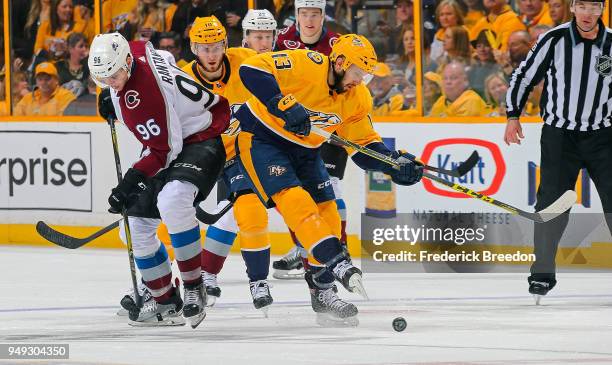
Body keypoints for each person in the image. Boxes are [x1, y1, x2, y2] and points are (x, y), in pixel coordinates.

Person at [234, 34, 423, 325]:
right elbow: (251, 70)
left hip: (305, 150)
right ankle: (337, 263)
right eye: (357, 73)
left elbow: (362, 147)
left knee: (330, 216)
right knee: (297, 204)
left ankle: (322, 291)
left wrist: (392, 163)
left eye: (364, 75)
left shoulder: (357, 97)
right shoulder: (305, 63)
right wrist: (280, 103)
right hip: (261, 138)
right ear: (340, 62)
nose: (359, 80)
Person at [89, 32, 229, 327]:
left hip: (202, 139)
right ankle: (165, 300)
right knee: (134, 227)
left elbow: (165, 152)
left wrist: (131, 182)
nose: (111, 82)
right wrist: (110, 95)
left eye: (113, 76)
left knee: (173, 200)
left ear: (127, 61)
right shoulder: (133, 52)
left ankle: (194, 287)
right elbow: (156, 53)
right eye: (102, 79)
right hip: (172, 136)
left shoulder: (146, 96)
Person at [504, 0, 612, 301]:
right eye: (582, 6)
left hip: (603, 136)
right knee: (551, 207)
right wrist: (513, 114)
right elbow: (524, 76)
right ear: (573, 8)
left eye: (594, 6)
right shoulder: (554, 39)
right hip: (560, 138)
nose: (588, 13)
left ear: (601, 10)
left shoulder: (611, 43)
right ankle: (541, 275)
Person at [180, 14, 275, 312]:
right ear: (194, 48)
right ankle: (153, 285)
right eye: (204, 47)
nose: (211, 54)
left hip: (240, 151)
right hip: (200, 152)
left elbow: (282, 82)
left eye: (216, 46)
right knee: (171, 213)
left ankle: (255, 279)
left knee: (249, 210)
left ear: (225, 44)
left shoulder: (246, 60)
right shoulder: (180, 77)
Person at [274, 0, 350, 280]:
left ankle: (340, 247)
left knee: (330, 187)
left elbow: (353, 84)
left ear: (323, 16)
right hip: (293, 128)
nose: (309, 20)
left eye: (314, 14)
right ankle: (305, 246)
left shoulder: (337, 44)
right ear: (296, 15)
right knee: (295, 192)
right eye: (304, 14)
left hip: (329, 126)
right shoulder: (281, 40)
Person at [54, 32, 89, 97]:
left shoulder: (89, 67)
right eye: (81, 46)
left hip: (85, 104)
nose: (84, 49)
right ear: (70, 49)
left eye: (86, 46)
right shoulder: (59, 67)